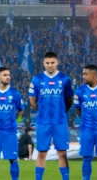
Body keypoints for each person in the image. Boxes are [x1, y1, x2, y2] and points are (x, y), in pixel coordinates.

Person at [29, 52, 74, 180]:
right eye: (47, 63)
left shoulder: (65, 79)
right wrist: (42, 112)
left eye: (52, 62)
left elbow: (69, 100)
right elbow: (33, 101)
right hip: (43, 122)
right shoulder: (37, 79)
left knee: (62, 153)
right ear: (43, 63)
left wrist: (61, 112)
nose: (50, 65)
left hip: (60, 121)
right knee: (42, 153)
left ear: (57, 62)